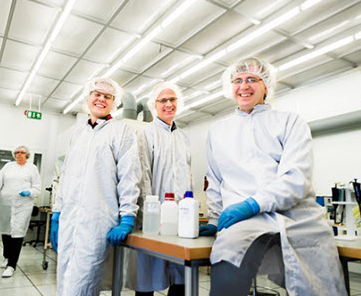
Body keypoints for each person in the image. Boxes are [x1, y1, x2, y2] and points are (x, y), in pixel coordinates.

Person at [200, 57, 347, 295]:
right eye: (237, 80)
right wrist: (215, 220)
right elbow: (216, 182)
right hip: (245, 221)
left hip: (298, 217)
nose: (243, 86)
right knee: (227, 264)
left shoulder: (290, 122)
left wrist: (253, 203)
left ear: (266, 85)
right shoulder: (218, 131)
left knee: (319, 283)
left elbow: (295, 178)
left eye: (252, 79)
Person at [50, 77, 141, 296]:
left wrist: (128, 216)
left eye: (107, 96)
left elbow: (129, 177)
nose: (101, 99)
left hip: (97, 222)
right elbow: (66, 178)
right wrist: (56, 213)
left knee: (84, 283)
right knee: (64, 280)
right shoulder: (78, 134)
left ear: (114, 102)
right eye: (96, 94)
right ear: (88, 98)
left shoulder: (122, 131)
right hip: (69, 219)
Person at [126, 82, 192, 296]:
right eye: (163, 100)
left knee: (181, 278)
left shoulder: (183, 137)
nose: (168, 104)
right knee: (147, 278)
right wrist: (147, 213)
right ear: (155, 105)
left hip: (180, 216)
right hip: (153, 216)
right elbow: (143, 175)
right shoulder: (146, 133)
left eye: (172, 99)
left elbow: (187, 178)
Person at [0, 145, 41, 278]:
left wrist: (29, 192)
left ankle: (11, 265)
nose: (19, 154)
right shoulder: (8, 166)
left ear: (27, 155)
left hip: (23, 205)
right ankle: (7, 257)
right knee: (5, 231)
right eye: (17, 152)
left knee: (17, 233)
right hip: (6, 204)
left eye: (22, 152)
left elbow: (37, 188)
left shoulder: (32, 168)